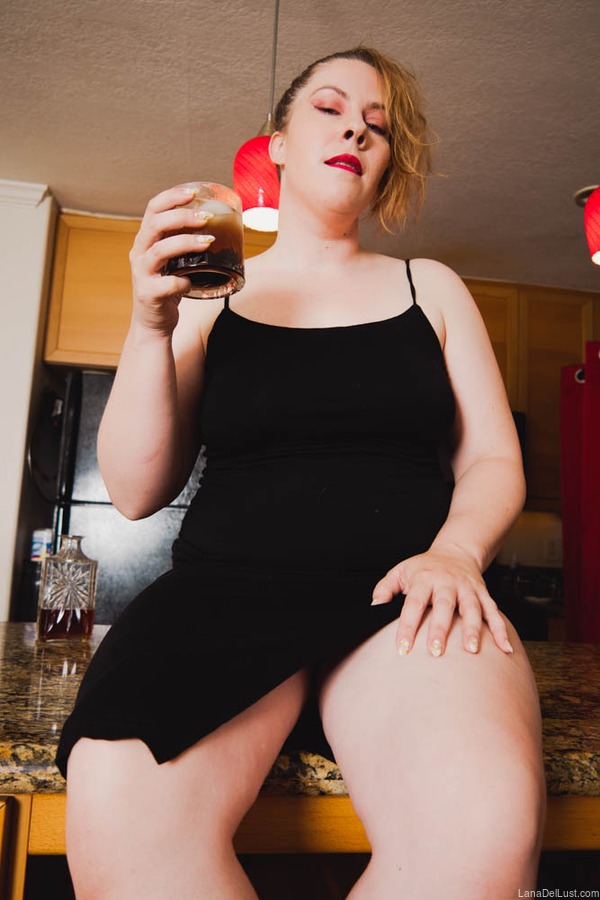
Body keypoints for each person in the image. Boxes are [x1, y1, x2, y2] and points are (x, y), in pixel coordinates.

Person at [57, 46, 546, 899]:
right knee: (119, 808)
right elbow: (135, 490)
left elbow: (494, 459)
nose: (356, 128)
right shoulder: (210, 296)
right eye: (329, 107)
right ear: (274, 145)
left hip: (405, 598)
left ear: (384, 162)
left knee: (482, 826)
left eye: (377, 125)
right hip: (222, 597)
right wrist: (149, 324)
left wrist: (456, 553)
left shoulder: (429, 288)